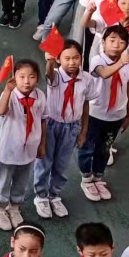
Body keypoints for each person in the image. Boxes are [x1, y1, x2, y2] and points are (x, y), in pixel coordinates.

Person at [80, 25, 129, 201]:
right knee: (88, 147)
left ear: (126, 45)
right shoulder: (98, 60)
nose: (116, 45)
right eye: (112, 40)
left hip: (116, 115)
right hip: (95, 114)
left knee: (105, 148)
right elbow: (104, 74)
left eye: (121, 42)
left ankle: (98, 177)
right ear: (103, 42)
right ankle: (86, 178)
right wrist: (121, 63)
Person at [34, 41, 89, 220]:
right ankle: (41, 196)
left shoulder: (86, 79)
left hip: (72, 126)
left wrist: (83, 131)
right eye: (67, 58)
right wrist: (49, 62)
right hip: (51, 125)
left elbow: (86, 105)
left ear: (81, 58)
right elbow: (49, 75)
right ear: (59, 59)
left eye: (76, 57)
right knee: (45, 161)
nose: (72, 62)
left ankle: (54, 195)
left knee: (62, 164)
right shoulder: (56, 75)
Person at [0, 59, 46, 231]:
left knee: (22, 180)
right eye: (21, 76)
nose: (26, 81)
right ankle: (0, 207)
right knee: (3, 179)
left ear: (37, 78)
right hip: (9, 148)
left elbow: (43, 120)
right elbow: (1, 110)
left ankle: (14, 206)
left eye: (31, 76)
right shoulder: (11, 95)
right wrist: (7, 90)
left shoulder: (40, 96)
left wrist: (41, 144)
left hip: (29, 148)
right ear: (14, 77)